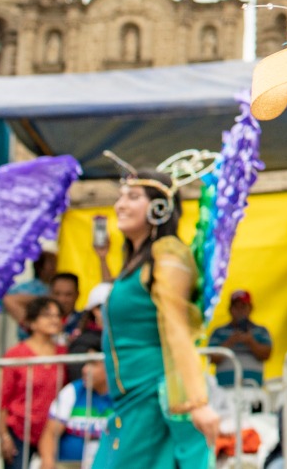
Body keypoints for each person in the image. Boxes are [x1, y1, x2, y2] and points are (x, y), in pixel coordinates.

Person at [95, 165, 220, 467]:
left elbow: (177, 328)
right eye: (121, 196)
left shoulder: (167, 253)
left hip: (152, 396)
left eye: (133, 196)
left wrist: (197, 402)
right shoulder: (133, 264)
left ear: (160, 207)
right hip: (128, 400)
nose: (120, 204)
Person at [0, 295, 66, 467]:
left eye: (57, 315)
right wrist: (3, 435)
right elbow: (2, 399)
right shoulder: (16, 354)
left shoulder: (64, 353)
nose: (54, 320)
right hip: (20, 430)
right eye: (47, 315)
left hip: (53, 430)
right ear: (32, 322)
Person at [39, 339, 116, 469]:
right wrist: (47, 461)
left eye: (93, 364)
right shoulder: (72, 391)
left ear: (109, 366)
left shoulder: (121, 396)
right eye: (85, 363)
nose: (85, 369)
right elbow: (50, 434)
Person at [208, 289, 273, 386]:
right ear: (230, 309)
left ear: (250, 308)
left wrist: (250, 342)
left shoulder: (261, 331)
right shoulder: (219, 332)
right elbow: (211, 358)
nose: (240, 311)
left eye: (243, 307)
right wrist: (230, 341)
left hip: (253, 389)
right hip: (224, 390)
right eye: (236, 307)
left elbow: (266, 355)